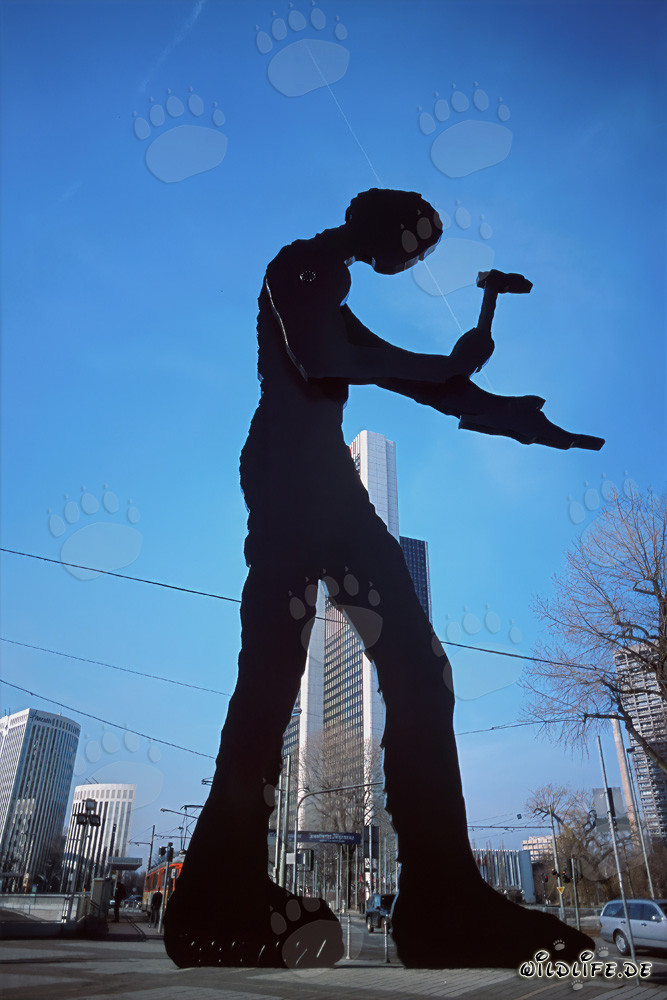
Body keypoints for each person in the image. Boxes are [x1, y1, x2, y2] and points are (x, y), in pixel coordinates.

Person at [164, 189, 602, 970]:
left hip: (323, 480)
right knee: (276, 672)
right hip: (294, 478)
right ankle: (219, 889)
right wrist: (443, 362)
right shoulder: (303, 266)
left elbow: (401, 377)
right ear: (382, 224)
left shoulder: (331, 286)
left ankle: (440, 900)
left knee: (416, 672)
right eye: (419, 237)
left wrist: (510, 414)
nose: (420, 254)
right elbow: (327, 360)